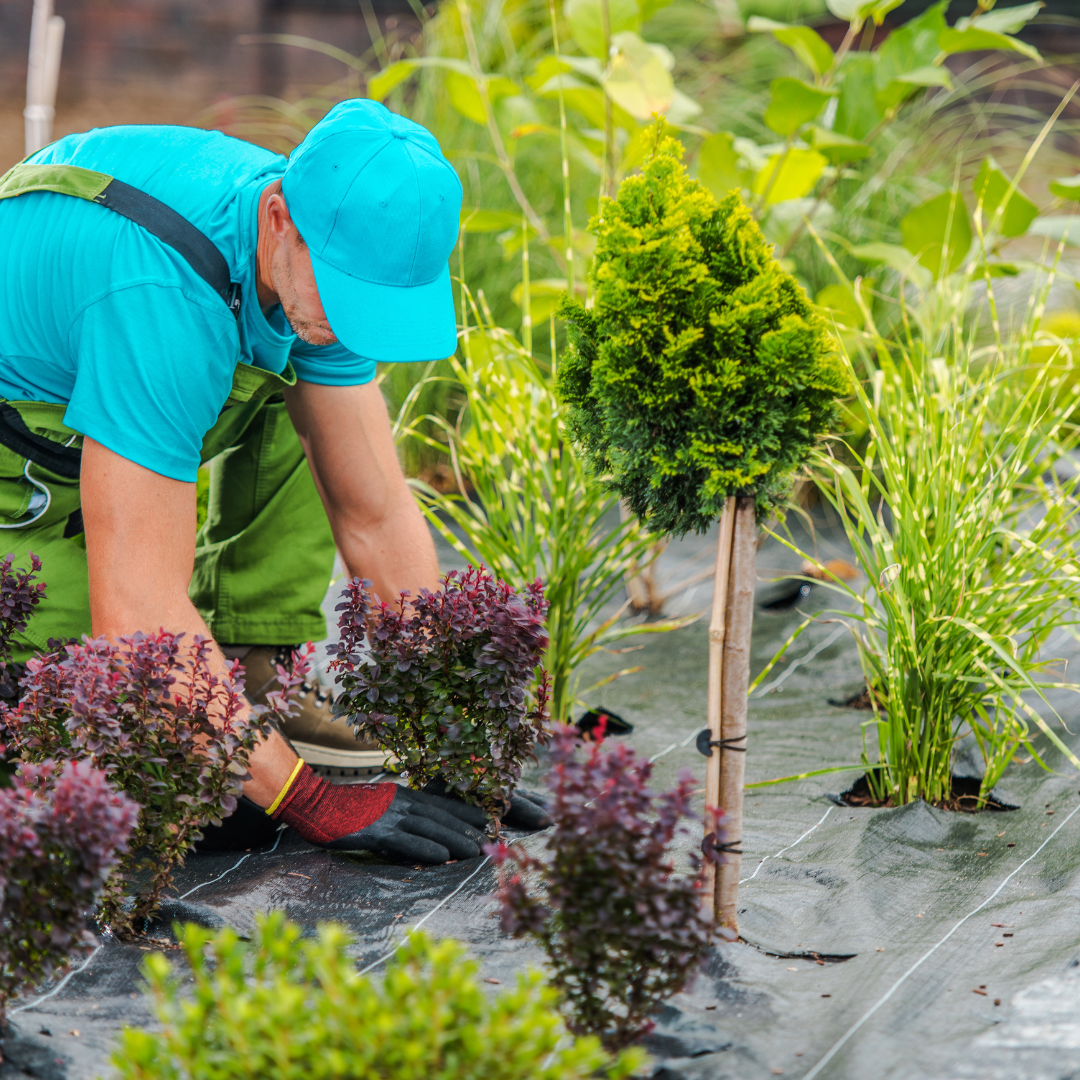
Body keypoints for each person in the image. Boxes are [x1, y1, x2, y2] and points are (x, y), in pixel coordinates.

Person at [0, 99, 541, 863]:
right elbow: (137, 613)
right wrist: (307, 799)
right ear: (280, 217)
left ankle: (255, 668)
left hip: (122, 378)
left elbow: (377, 515)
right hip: (21, 440)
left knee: (319, 408)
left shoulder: (311, 256)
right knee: (138, 771)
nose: (356, 326)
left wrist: (452, 742)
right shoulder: (161, 297)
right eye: (347, 294)